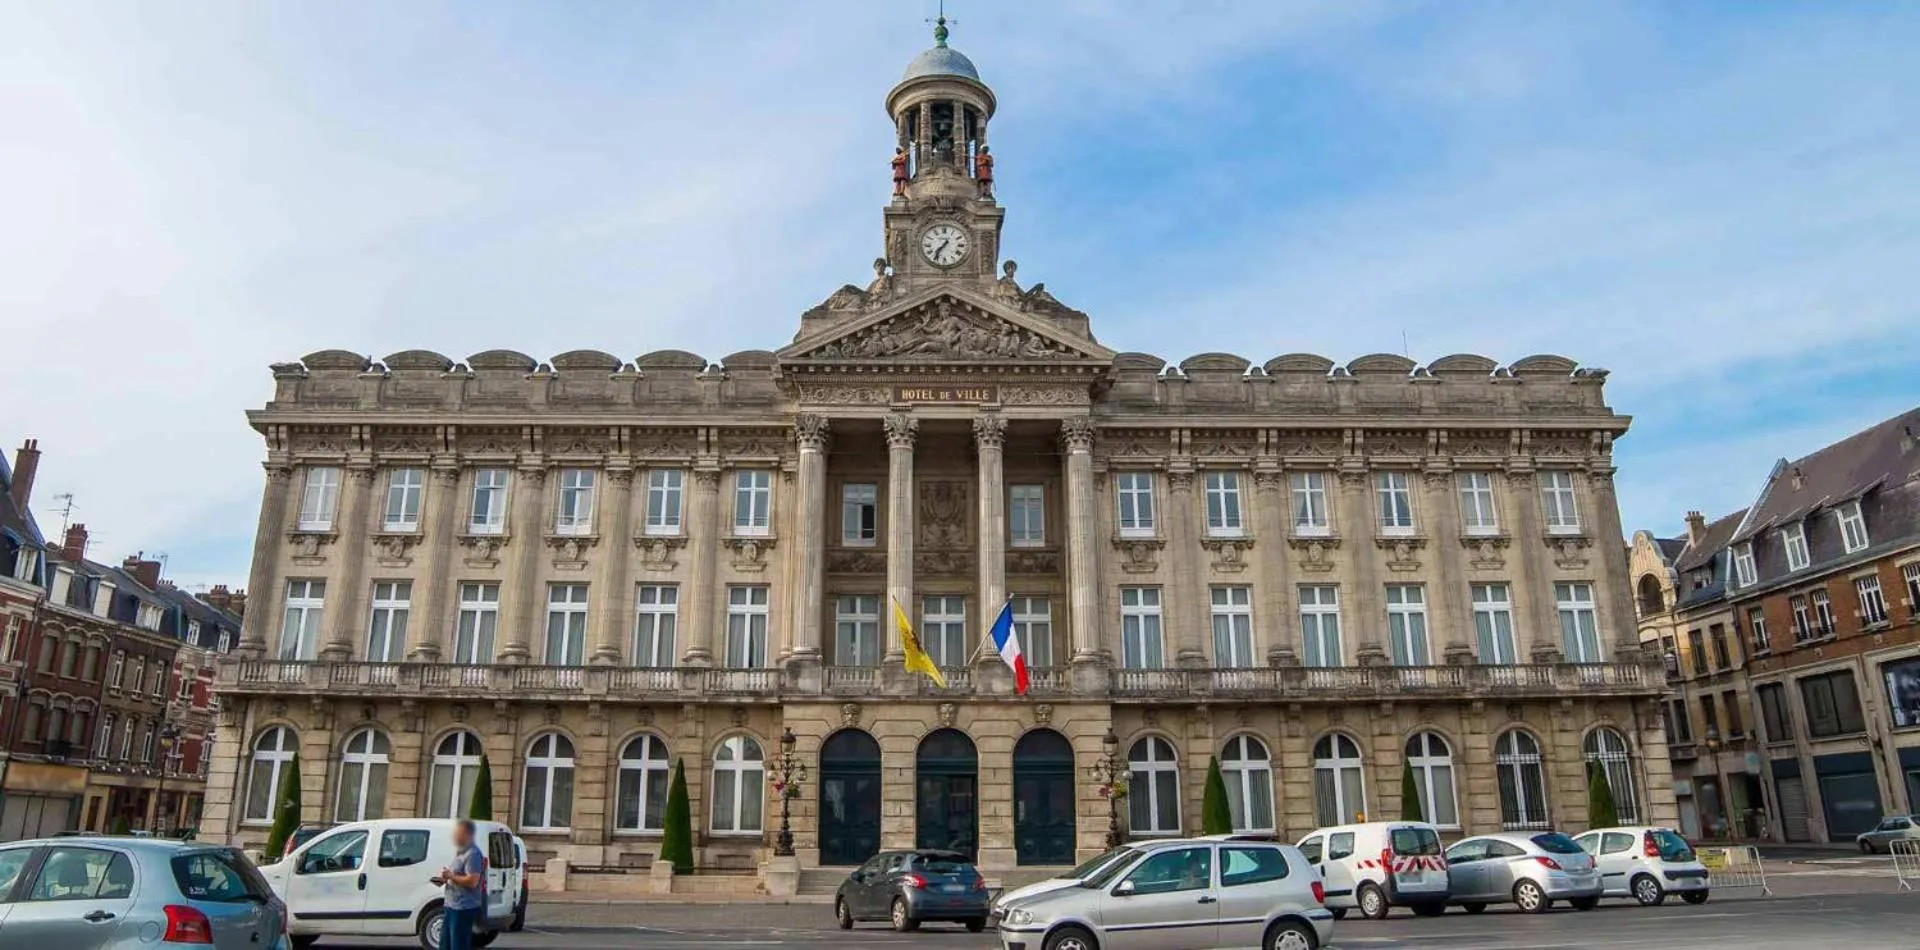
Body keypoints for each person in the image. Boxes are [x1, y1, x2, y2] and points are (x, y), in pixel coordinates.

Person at [435, 820, 488, 950]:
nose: (454, 837)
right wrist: (445, 878)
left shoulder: (473, 854)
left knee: (458, 945)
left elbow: (473, 881)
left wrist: (451, 876)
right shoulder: (460, 852)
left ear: (468, 834)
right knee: (444, 945)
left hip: (463, 908)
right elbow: (457, 875)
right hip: (451, 905)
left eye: (458, 833)